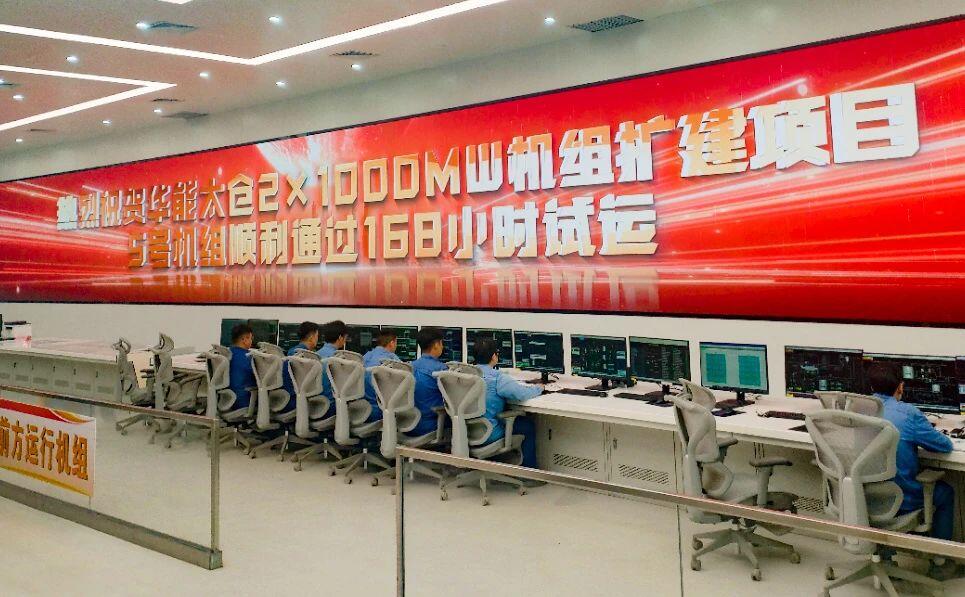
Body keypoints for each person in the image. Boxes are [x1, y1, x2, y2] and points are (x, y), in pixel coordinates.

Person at [869, 363, 958, 578]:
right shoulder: (908, 414)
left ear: (871, 387)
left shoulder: (856, 411)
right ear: (900, 387)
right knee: (945, 493)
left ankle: (886, 558)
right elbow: (945, 446)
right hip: (900, 499)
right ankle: (940, 562)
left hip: (861, 496)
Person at [472, 338, 542, 467]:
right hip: (489, 432)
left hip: (465, 430)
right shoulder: (497, 377)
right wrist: (539, 388)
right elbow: (521, 394)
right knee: (528, 426)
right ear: (494, 356)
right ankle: (529, 473)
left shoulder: (464, 374)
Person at [408, 327, 448, 437]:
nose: (442, 347)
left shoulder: (409, 367)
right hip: (431, 425)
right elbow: (454, 399)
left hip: (408, 423)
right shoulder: (440, 369)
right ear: (436, 345)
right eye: (441, 343)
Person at [361, 329, 400, 422]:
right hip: (381, 411)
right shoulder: (392, 359)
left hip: (363, 409)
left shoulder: (365, 357)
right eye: (396, 343)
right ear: (392, 343)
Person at [279, 321, 320, 411]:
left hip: (286, 396)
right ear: (311, 337)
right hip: (298, 400)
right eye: (317, 336)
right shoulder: (309, 356)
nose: (317, 339)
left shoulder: (292, 351)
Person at [227, 323, 256, 410]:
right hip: (244, 400)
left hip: (227, 399)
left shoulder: (227, 353)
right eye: (250, 338)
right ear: (244, 339)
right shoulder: (248, 357)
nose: (251, 341)